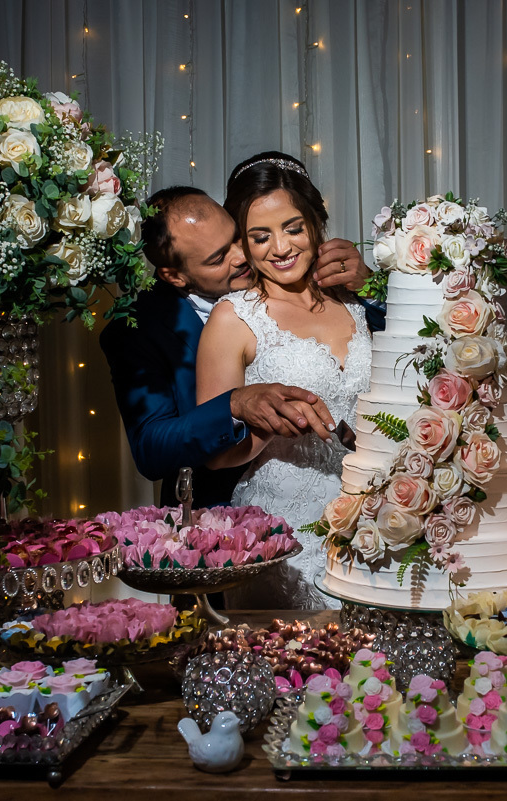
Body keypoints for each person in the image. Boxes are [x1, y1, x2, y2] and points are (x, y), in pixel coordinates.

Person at [99, 185, 376, 510]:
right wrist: (232, 405)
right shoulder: (136, 330)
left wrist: (369, 282)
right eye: (218, 258)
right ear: (174, 275)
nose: (242, 256)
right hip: (231, 517)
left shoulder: (291, 267)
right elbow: (150, 449)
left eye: (236, 236)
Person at [196, 152, 371, 610]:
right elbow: (212, 454)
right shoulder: (233, 319)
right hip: (282, 527)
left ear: (316, 222)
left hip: (375, 518)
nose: (281, 248)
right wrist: (267, 424)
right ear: (244, 244)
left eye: (293, 228)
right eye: (261, 236)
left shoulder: (356, 303)